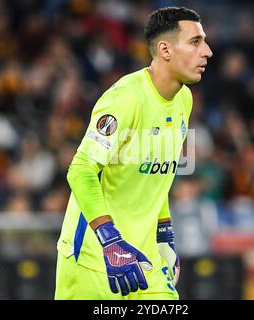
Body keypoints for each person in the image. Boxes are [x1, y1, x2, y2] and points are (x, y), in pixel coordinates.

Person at [55, 6, 213, 300]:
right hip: (95, 259)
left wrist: (165, 234)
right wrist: (110, 241)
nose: (207, 51)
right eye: (195, 42)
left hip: (146, 260)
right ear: (165, 49)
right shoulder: (125, 99)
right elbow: (80, 170)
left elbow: (157, 173)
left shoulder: (184, 100)